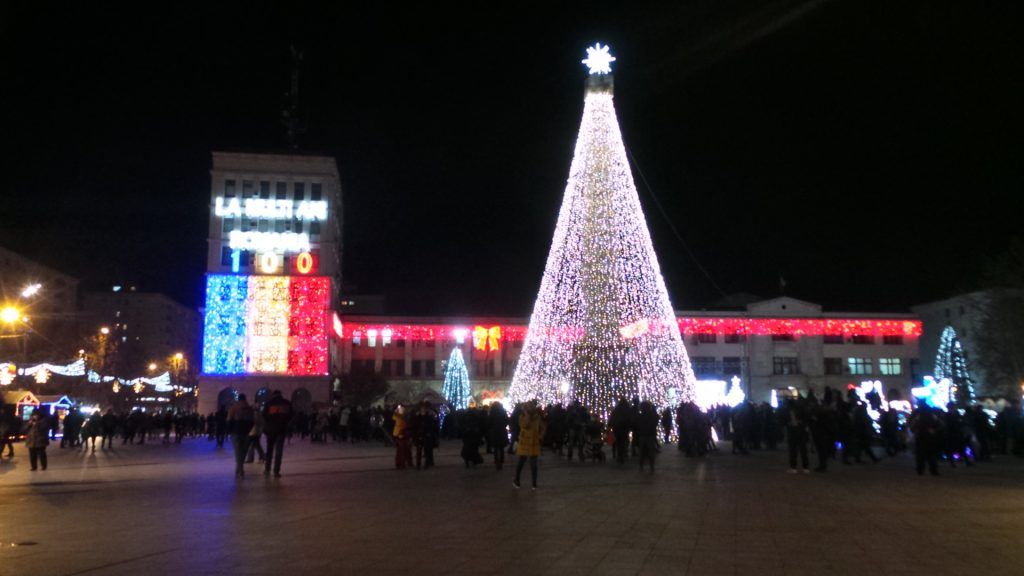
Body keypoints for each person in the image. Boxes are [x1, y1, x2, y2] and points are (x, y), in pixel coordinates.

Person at [514, 401, 545, 490]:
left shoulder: (537, 417)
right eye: (527, 407)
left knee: (534, 465)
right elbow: (525, 425)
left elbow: (543, 428)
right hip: (524, 442)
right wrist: (526, 414)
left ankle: (534, 483)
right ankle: (517, 480)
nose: (530, 408)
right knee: (521, 463)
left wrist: (540, 436)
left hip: (534, 442)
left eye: (531, 406)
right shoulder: (522, 417)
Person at [262, 390, 293, 478]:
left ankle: (267, 469)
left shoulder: (269, 403)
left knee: (269, 450)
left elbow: (264, 414)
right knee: (279, 451)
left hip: (271, 429)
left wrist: (269, 422)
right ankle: (276, 471)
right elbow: (291, 415)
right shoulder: (287, 403)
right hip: (282, 429)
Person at [227, 394, 255, 478]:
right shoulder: (249, 408)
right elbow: (252, 421)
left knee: (237, 451)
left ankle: (241, 470)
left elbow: (229, 420)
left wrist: (230, 431)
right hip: (246, 432)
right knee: (243, 451)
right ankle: (239, 468)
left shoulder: (233, 407)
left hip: (236, 431)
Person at [782, 396, 810, 473]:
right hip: (799, 431)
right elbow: (806, 419)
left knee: (794, 450)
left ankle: (794, 467)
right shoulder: (800, 410)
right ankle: (805, 467)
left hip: (794, 431)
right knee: (802, 450)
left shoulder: (787, 411)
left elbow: (783, 421)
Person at [635, 401, 660, 473]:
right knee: (650, 451)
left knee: (642, 451)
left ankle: (641, 466)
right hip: (650, 434)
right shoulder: (653, 415)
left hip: (642, 435)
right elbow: (656, 421)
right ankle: (651, 467)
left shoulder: (640, 416)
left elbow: (637, 424)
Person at [488, 402, 509, 470]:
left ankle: (496, 461)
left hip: (494, 431)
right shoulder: (503, 412)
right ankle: (501, 461)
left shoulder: (491, 412)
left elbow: (489, 422)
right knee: (501, 447)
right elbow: (506, 420)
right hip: (502, 430)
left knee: (496, 448)